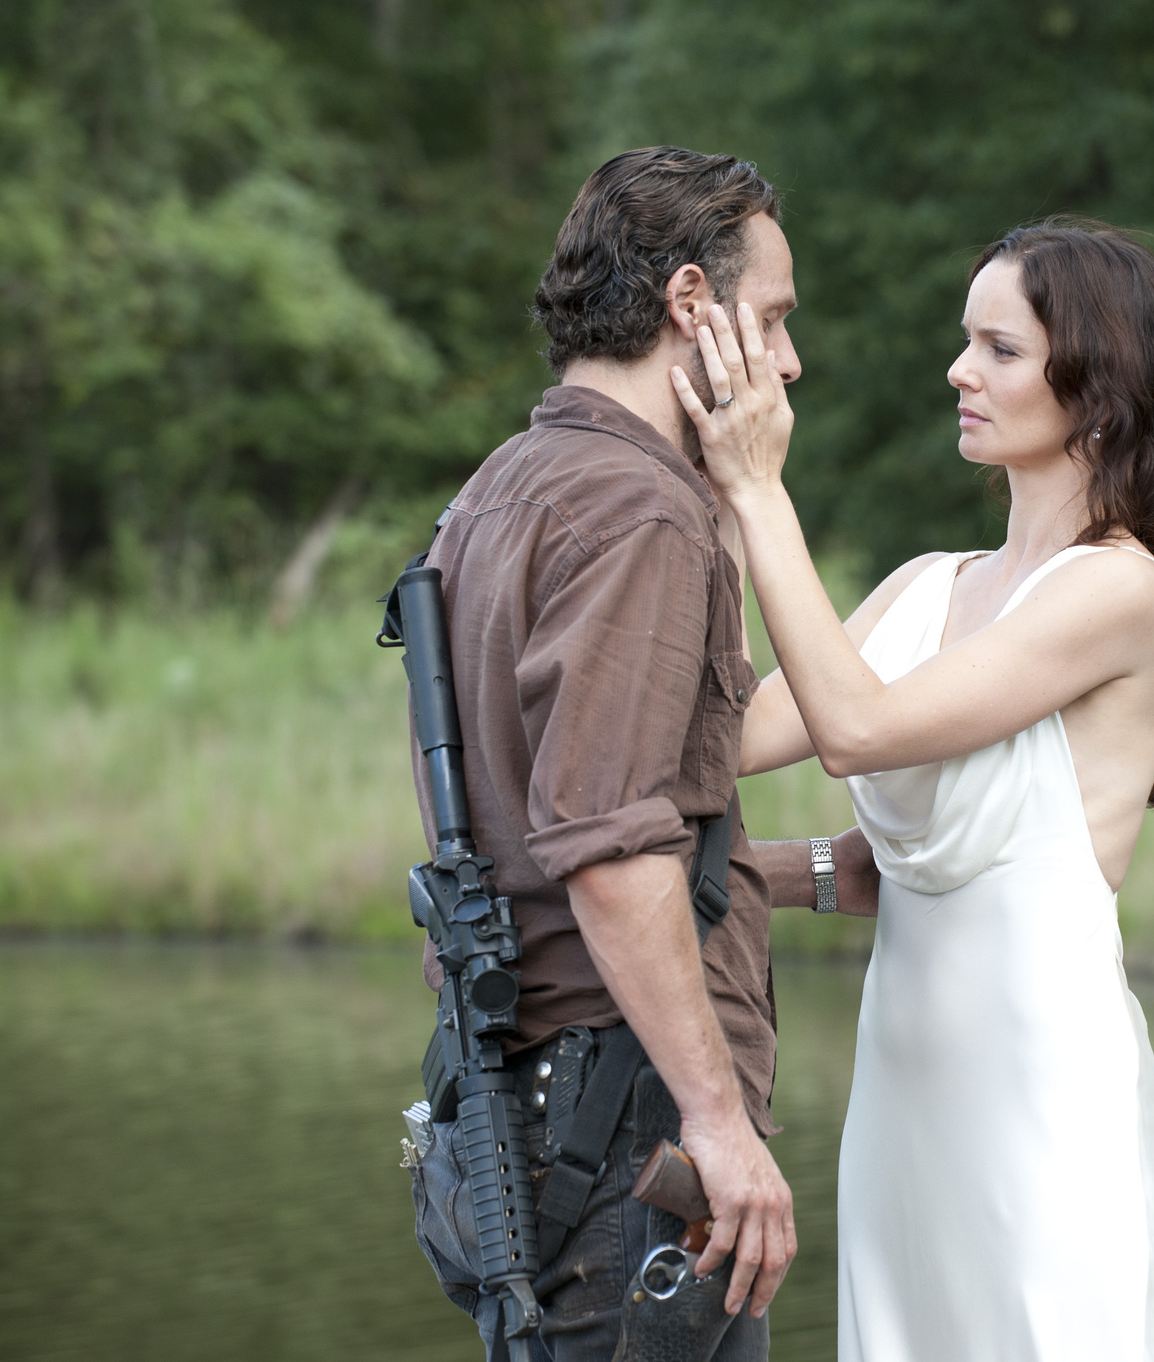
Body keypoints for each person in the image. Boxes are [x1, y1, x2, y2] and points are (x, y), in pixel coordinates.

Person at [681, 219, 1154, 1361]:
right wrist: (710, 499)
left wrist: (760, 489)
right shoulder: (924, 587)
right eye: (963, 342)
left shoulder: (1118, 592)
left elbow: (856, 731)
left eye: (998, 349)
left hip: (1043, 1093)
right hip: (905, 1099)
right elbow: (725, 735)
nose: (958, 371)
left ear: (1095, 388)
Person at [403, 146, 878, 1362]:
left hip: (518, 1119)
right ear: (688, 306)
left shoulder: (498, 491)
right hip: (624, 1137)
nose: (787, 359)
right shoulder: (638, 513)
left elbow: (562, 834)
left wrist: (807, 875)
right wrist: (717, 1123)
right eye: (770, 319)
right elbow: (607, 848)